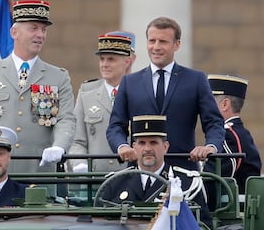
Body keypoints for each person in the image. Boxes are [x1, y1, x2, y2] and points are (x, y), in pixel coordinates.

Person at [0, 0, 75, 174]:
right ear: (14, 32)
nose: (40, 35)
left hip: (40, 172)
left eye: (44, 30)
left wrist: (59, 146)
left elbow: (66, 120)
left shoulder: (58, 76)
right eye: (33, 28)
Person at [106, 16, 225, 171]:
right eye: (152, 41)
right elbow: (116, 125)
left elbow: (214, 122)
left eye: (163, 42)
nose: (156, 47)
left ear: (177, 45)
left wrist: (210, 147)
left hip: (183, 170)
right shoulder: (129, 82)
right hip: (140, 172)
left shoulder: (196, 79)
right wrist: (121, 146)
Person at [102, 115, 213, 228]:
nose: (147, 149)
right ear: (134, 147)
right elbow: (101, 223)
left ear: (165, 147)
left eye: (153, 142)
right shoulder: (116, 183)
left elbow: (203, 225)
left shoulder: (187, 184)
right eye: (142, 143)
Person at [68, 31, 136, 173]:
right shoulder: (87, 93)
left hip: (130, 176)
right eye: (102, 59)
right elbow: (76, 140)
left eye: (111, 59)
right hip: (94, 178)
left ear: (127, 61)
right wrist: (80, 164)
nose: (104, 64)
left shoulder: (140, 92)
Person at [204, 74, 261, 194]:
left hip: (231, 208)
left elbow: (213, 178)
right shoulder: (238, 132)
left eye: (209, 101)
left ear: (225, 104)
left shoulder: (228, 135)